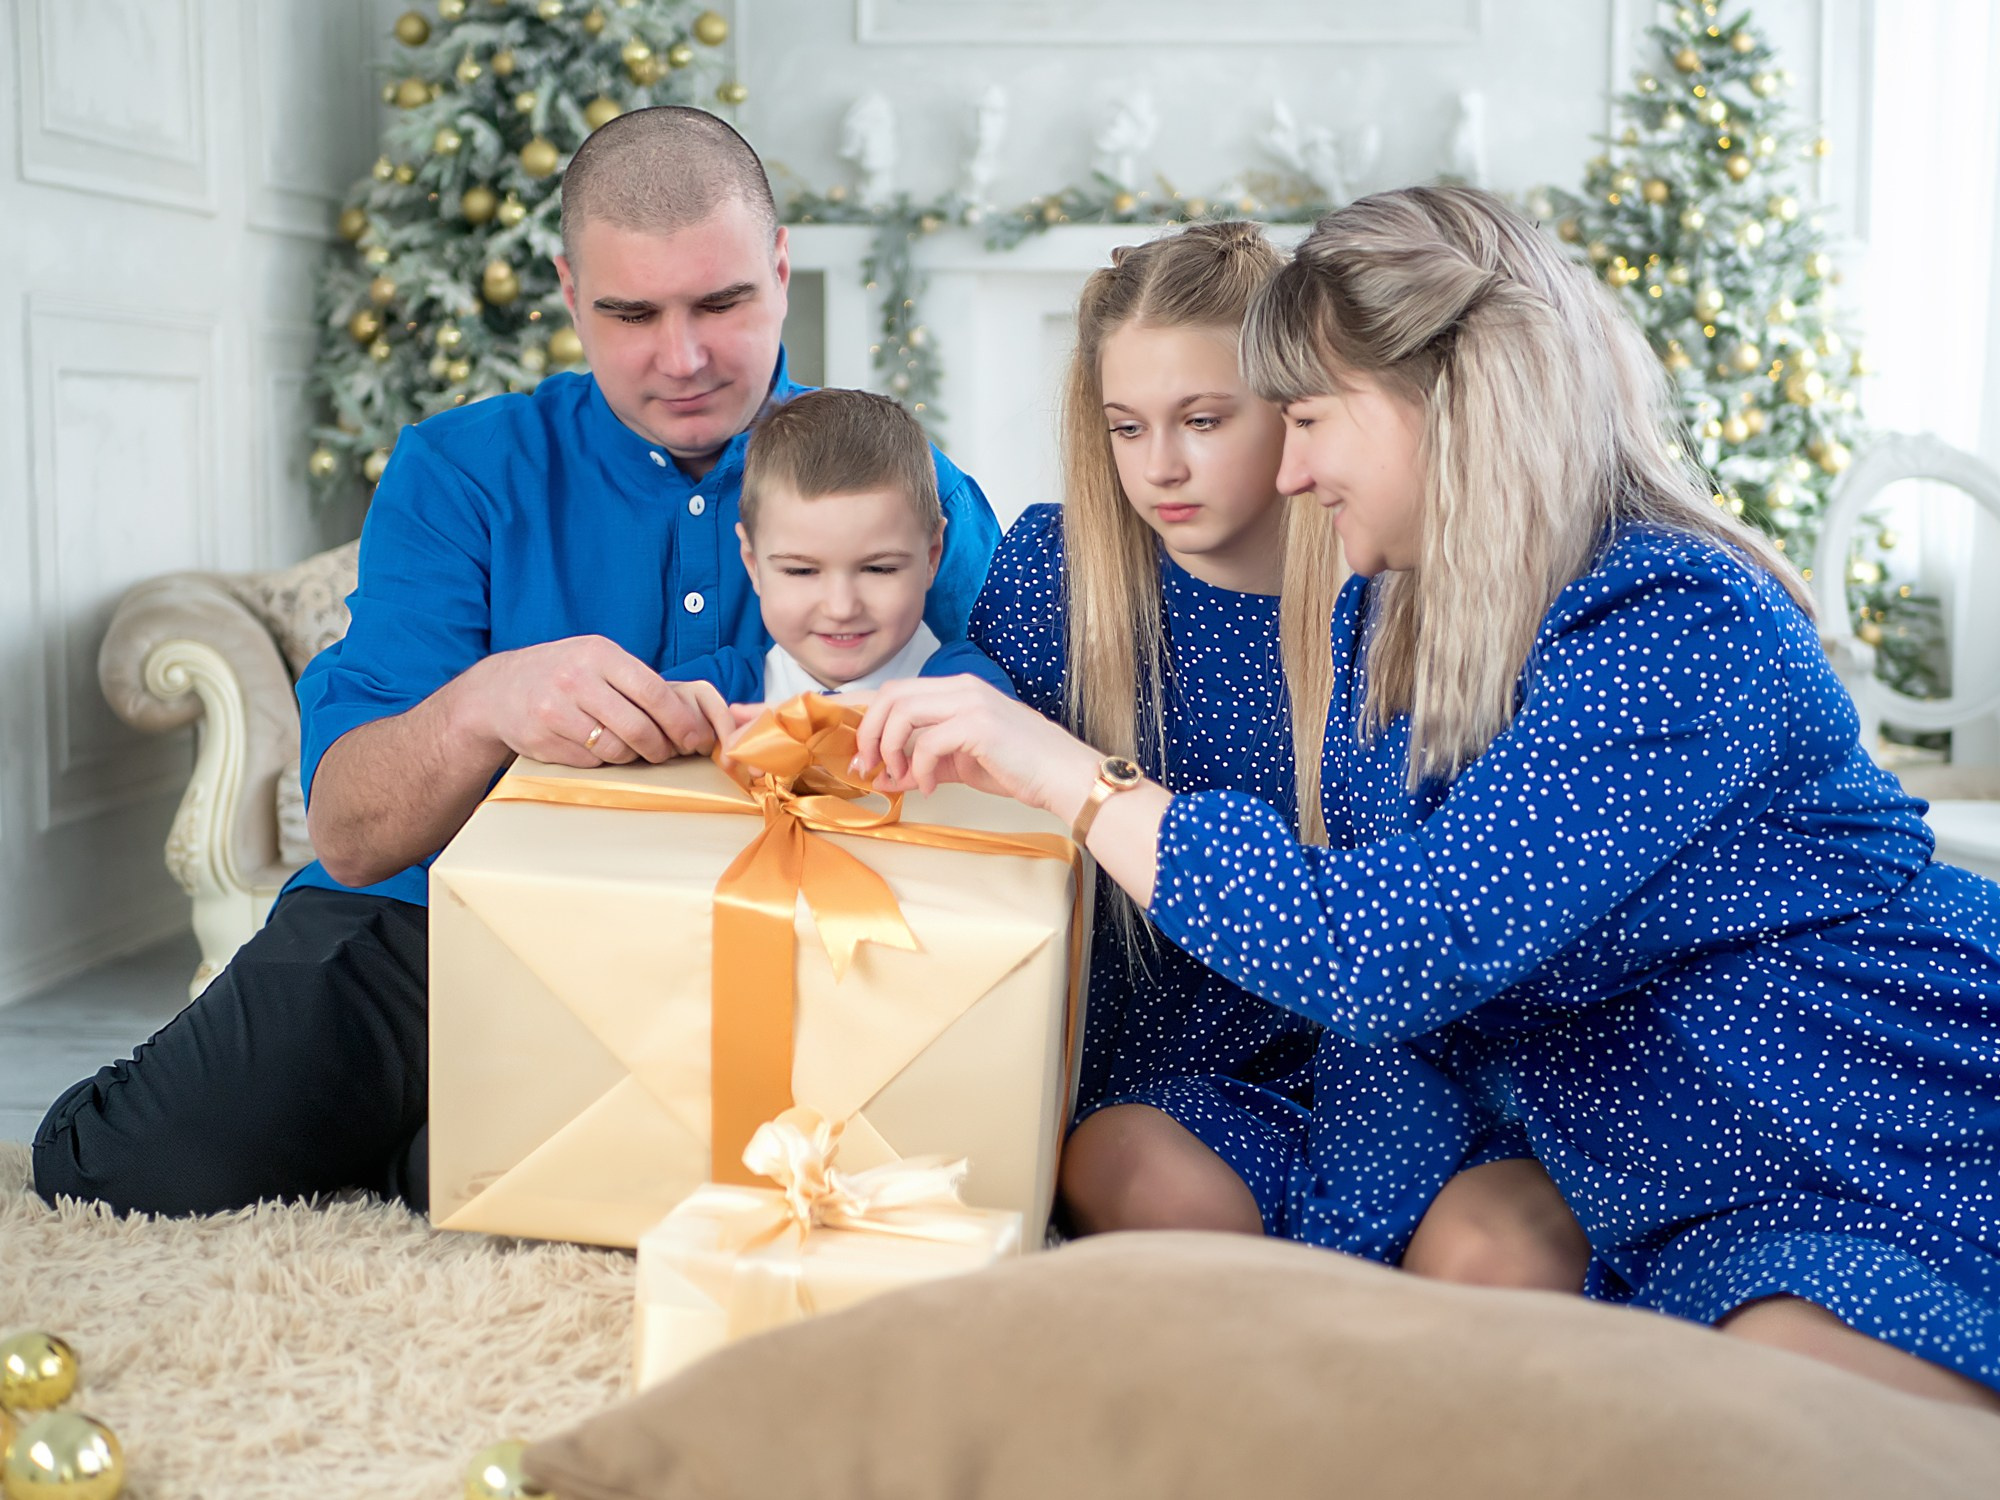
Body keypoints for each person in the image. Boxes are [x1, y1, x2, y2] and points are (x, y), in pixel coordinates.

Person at [848, 185, 2000, 1411]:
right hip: (1647, 1160)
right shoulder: (1397, 610)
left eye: (1303, 417)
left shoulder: (1673, 621)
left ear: (1438, 403)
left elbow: (1397, 946)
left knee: (1782, 1418)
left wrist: (1076, 782)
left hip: (1867, 1116)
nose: (1285, 472)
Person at [33, 106, 1000, 1218]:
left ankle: (454, 1152)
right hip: (429, 922)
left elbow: (1014, 751)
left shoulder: (902, 479)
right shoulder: (458, 471)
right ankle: (479, 1136)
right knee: (128, 1170)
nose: (680, 358)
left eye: (720, 303)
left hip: (767, 954)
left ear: (780, 271)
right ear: (566, 289)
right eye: (630, 313)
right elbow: (349, 833)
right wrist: (487, 702)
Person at [969, 220, 1588, 1287]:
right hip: (1172, 1074)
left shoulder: (1396, 591)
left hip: (1405, 1063)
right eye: (1126, 427)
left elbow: (1448, 917)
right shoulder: (1051, 574)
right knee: (1140, 1180)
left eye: (1204, 420)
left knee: (1500, 1254)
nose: (1160, 465)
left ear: (1301, 412)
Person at [738, 387, 1009, 699]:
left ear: (932, 558)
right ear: (754, 563)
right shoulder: (710, 693)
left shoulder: (970, 691)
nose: (841, 608)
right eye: (801, 571)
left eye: (879, 569)